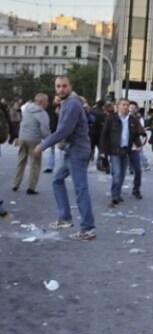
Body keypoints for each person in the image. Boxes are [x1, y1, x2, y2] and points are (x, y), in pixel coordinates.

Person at [34, 76, 96, 241]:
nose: (61, 89)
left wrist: (42, 145)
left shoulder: (72, 104)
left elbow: (63, 131)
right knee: (57, 180)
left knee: (80, 189)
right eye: (58, 86)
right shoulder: (67, 103)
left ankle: (87, 229)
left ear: (70, 87)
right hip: (70, 149)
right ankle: (65, 218)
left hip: (77, 150)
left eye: (64, 86)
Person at [100, 98, 145, 204]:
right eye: (123, 105)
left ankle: (117, 192)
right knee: (117, 172)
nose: (126, 107)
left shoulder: (132, 120)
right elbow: (104, 134)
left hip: (126, 150)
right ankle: (114, 195)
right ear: (118, 106)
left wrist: (138, 144)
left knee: (122, 174)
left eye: (127, 105)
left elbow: (134, 135)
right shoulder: (111, 118)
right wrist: (103, 150)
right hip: (115, 149)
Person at [13, 93, 51, 194]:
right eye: (46, 101)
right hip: (34, 140)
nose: (48, 103)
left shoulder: (27, 108)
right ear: (41, 101)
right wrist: (50, 140)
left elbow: (22, 122)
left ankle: (15, 184)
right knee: (35, 164)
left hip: (23, 138)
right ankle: (31, 187)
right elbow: (45, 130)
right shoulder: (43, 114)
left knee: (21, 161)